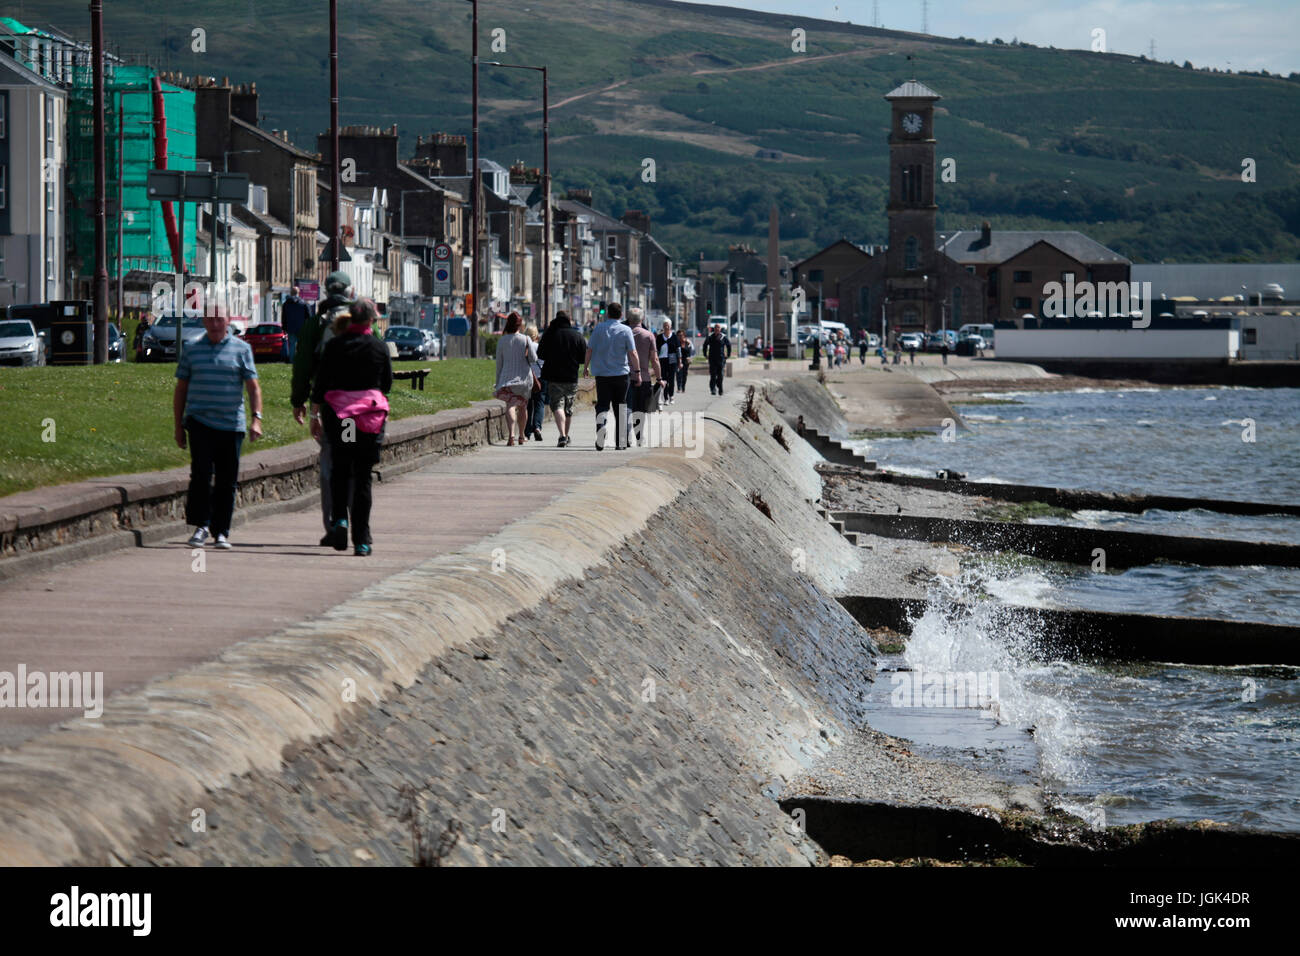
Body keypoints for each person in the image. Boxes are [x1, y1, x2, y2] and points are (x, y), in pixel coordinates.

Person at [173, 307, 262, 549]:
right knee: (201, 474)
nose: (214, 324)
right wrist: (178, 426)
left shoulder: (241, 349)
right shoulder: (191, 348)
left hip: (231, 424)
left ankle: (221, 530)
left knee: (227, 480)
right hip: (200, 421)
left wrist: (256, 419)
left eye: (219, 319)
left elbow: (253, 387)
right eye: (210, 319)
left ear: (228, 321)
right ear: (203, 321)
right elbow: (181, 389)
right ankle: (201, 526)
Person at [310, 298, 392, 557]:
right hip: (369, 421)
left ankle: (340, 521)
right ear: (370, 320)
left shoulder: (334, 346)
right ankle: (362, 540)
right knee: (363, 478)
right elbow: (386, 384)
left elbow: (321, 384)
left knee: (341, 470)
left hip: (343, 419)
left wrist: (315, 413)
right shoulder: (379, 348)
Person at [291, 270, 356, 546]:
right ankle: (357, 525)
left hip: (328, 404)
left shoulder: (315, 324)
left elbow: (303, 364)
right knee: (352, 462)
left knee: (329, 462)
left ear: (327, 293)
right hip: (356, 410)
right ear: (350, 292)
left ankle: (333, 523)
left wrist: (300, 401)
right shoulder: (363, 321)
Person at [583, 302, 639, 451]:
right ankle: (621, 442)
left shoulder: (598, 328)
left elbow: (589, 349)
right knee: (621, 406)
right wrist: (638, 372)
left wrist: (586, 367)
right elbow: (633, 353)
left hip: (602, 375)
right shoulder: (626, 330)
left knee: (602, 405)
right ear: (621, 315)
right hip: (621, 375)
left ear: (607, 313)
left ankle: (601, 434)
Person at [537, 311, 586, 447]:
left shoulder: (550, 334)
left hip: (554, 376)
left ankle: (562, 435)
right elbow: (583, 357)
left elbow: (540, 354)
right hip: (571, 376)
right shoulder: (577, 335)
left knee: (557, 405)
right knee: (568, 408)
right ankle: (565, 435)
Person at [494, 312, 534, 446]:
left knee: (510, 405)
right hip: (524, 379)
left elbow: (499, 363)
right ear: (520, 325)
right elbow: (533, 359)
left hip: (507, 378)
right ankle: (521, 436)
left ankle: (511, 435)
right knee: (523, 407)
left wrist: (498, 380)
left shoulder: (502, 341)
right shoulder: (526, 339)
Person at [624, 307, 662, 447]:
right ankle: (639, 436)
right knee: (640, 409)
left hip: (625, 377)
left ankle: (626, 436)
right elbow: (655, 359)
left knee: (626, 407)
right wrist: (659, 378)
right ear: (642, 319)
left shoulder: (622, 334)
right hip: (644, 378)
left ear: (628, 318)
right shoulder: (649, 335)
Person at [524, 323, 545, 441]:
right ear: (536, 335)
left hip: (528, 378)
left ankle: (526, 433)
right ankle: (537, 427)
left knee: (528, 405)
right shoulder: (540, 347)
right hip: (540, 378)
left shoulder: (525, 347)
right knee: (539, 403)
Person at [280, 286, 311, 360]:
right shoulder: (304, 303)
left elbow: (284, 317)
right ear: (298, 293)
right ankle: (301, 359)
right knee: (301, 345)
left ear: (291, 293)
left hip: (290, 328)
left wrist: (284, 328)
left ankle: (292, 360)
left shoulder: (286, 304)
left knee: (292, 345)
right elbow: (309, 316)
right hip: (302, 328)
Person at [656, 319, 680, 405]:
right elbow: (656, 350)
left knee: (671, 379)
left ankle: (671, 396)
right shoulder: (659, 338)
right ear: (663, 327)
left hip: (672, 360)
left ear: (670, 326)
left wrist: (679, 361)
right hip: (662, 360)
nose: (666, 327)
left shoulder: (674, 337)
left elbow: (678, 350)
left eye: (668, 325)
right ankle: (665, 398)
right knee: (664, 379)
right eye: (665, 325)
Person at [703, 322, 730, 395]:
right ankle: (713, 389)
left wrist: (728, 354)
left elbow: (728, 345)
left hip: (721, 359)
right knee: (713, 375)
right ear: (714, 329)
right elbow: (705, 345)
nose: (717, 329)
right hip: (712, 358)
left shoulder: (723, 337)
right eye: (715, 327)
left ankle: (720, 388)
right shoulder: (710, 337)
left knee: (720, 375)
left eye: (718, 327)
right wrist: (705, 354)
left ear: (720, 329)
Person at [675, 328, 693, 395]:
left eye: (682, 335)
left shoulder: (687, 343)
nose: (680, 336)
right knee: (678, 374)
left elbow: (690, 351)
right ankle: (679, 388)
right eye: (679, 335)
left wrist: (690, 357)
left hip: (685, 361)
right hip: (678, 360)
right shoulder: (676, 343)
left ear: (684, 335)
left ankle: (683, 388)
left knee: (684, 374)